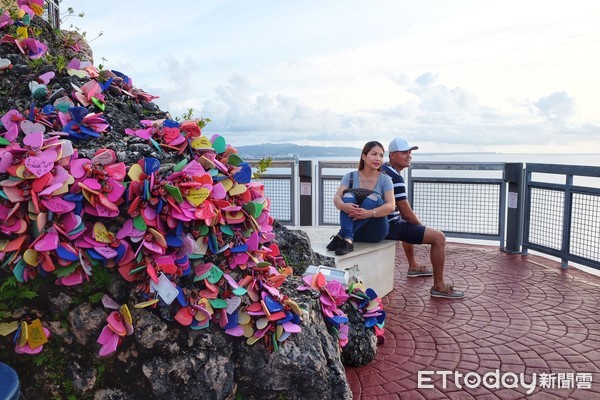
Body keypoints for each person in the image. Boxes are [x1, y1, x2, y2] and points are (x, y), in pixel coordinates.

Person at [382, 138, 465, 299]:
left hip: (382, 222)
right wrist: (421, 228)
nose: (409, 156)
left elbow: (402, 211)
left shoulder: (384, 170)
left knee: (406, 222)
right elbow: (406, 212)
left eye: (410, 152)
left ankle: (413, 266)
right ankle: (439, 286)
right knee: (438, 238)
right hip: (389, 226)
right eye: (404, 152)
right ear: (392, 155)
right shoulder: (395, 178)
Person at [327, 141, 396, 256]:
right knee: (348, 196)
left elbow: (391, 206)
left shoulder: (385, 180)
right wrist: (343, 206)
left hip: (375, 230)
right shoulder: (350, 177)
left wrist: (369, 213)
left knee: (374, 197)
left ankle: (342, 235)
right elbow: (337, 197)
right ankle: (348, 240)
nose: (378, 158)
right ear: (364, 156)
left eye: (381, 155)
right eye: (374, 154)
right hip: (356, 234)